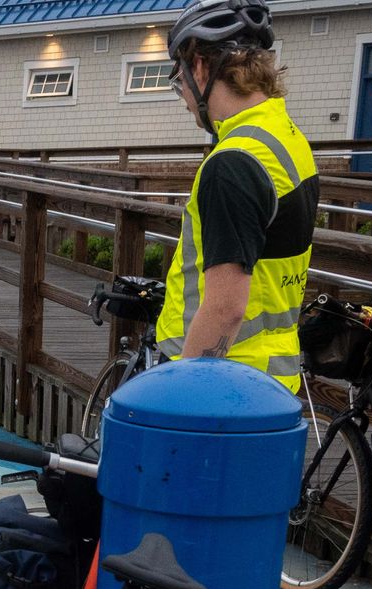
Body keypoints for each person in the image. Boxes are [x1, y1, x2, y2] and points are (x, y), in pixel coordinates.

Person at [153, 0, 316, 393]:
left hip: (218, 383)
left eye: (180, 83)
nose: (185, 99)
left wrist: (181, 392)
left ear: (200, 67)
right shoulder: (286, 137)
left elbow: (226, 308)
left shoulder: (232, 164)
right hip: (271, 380)